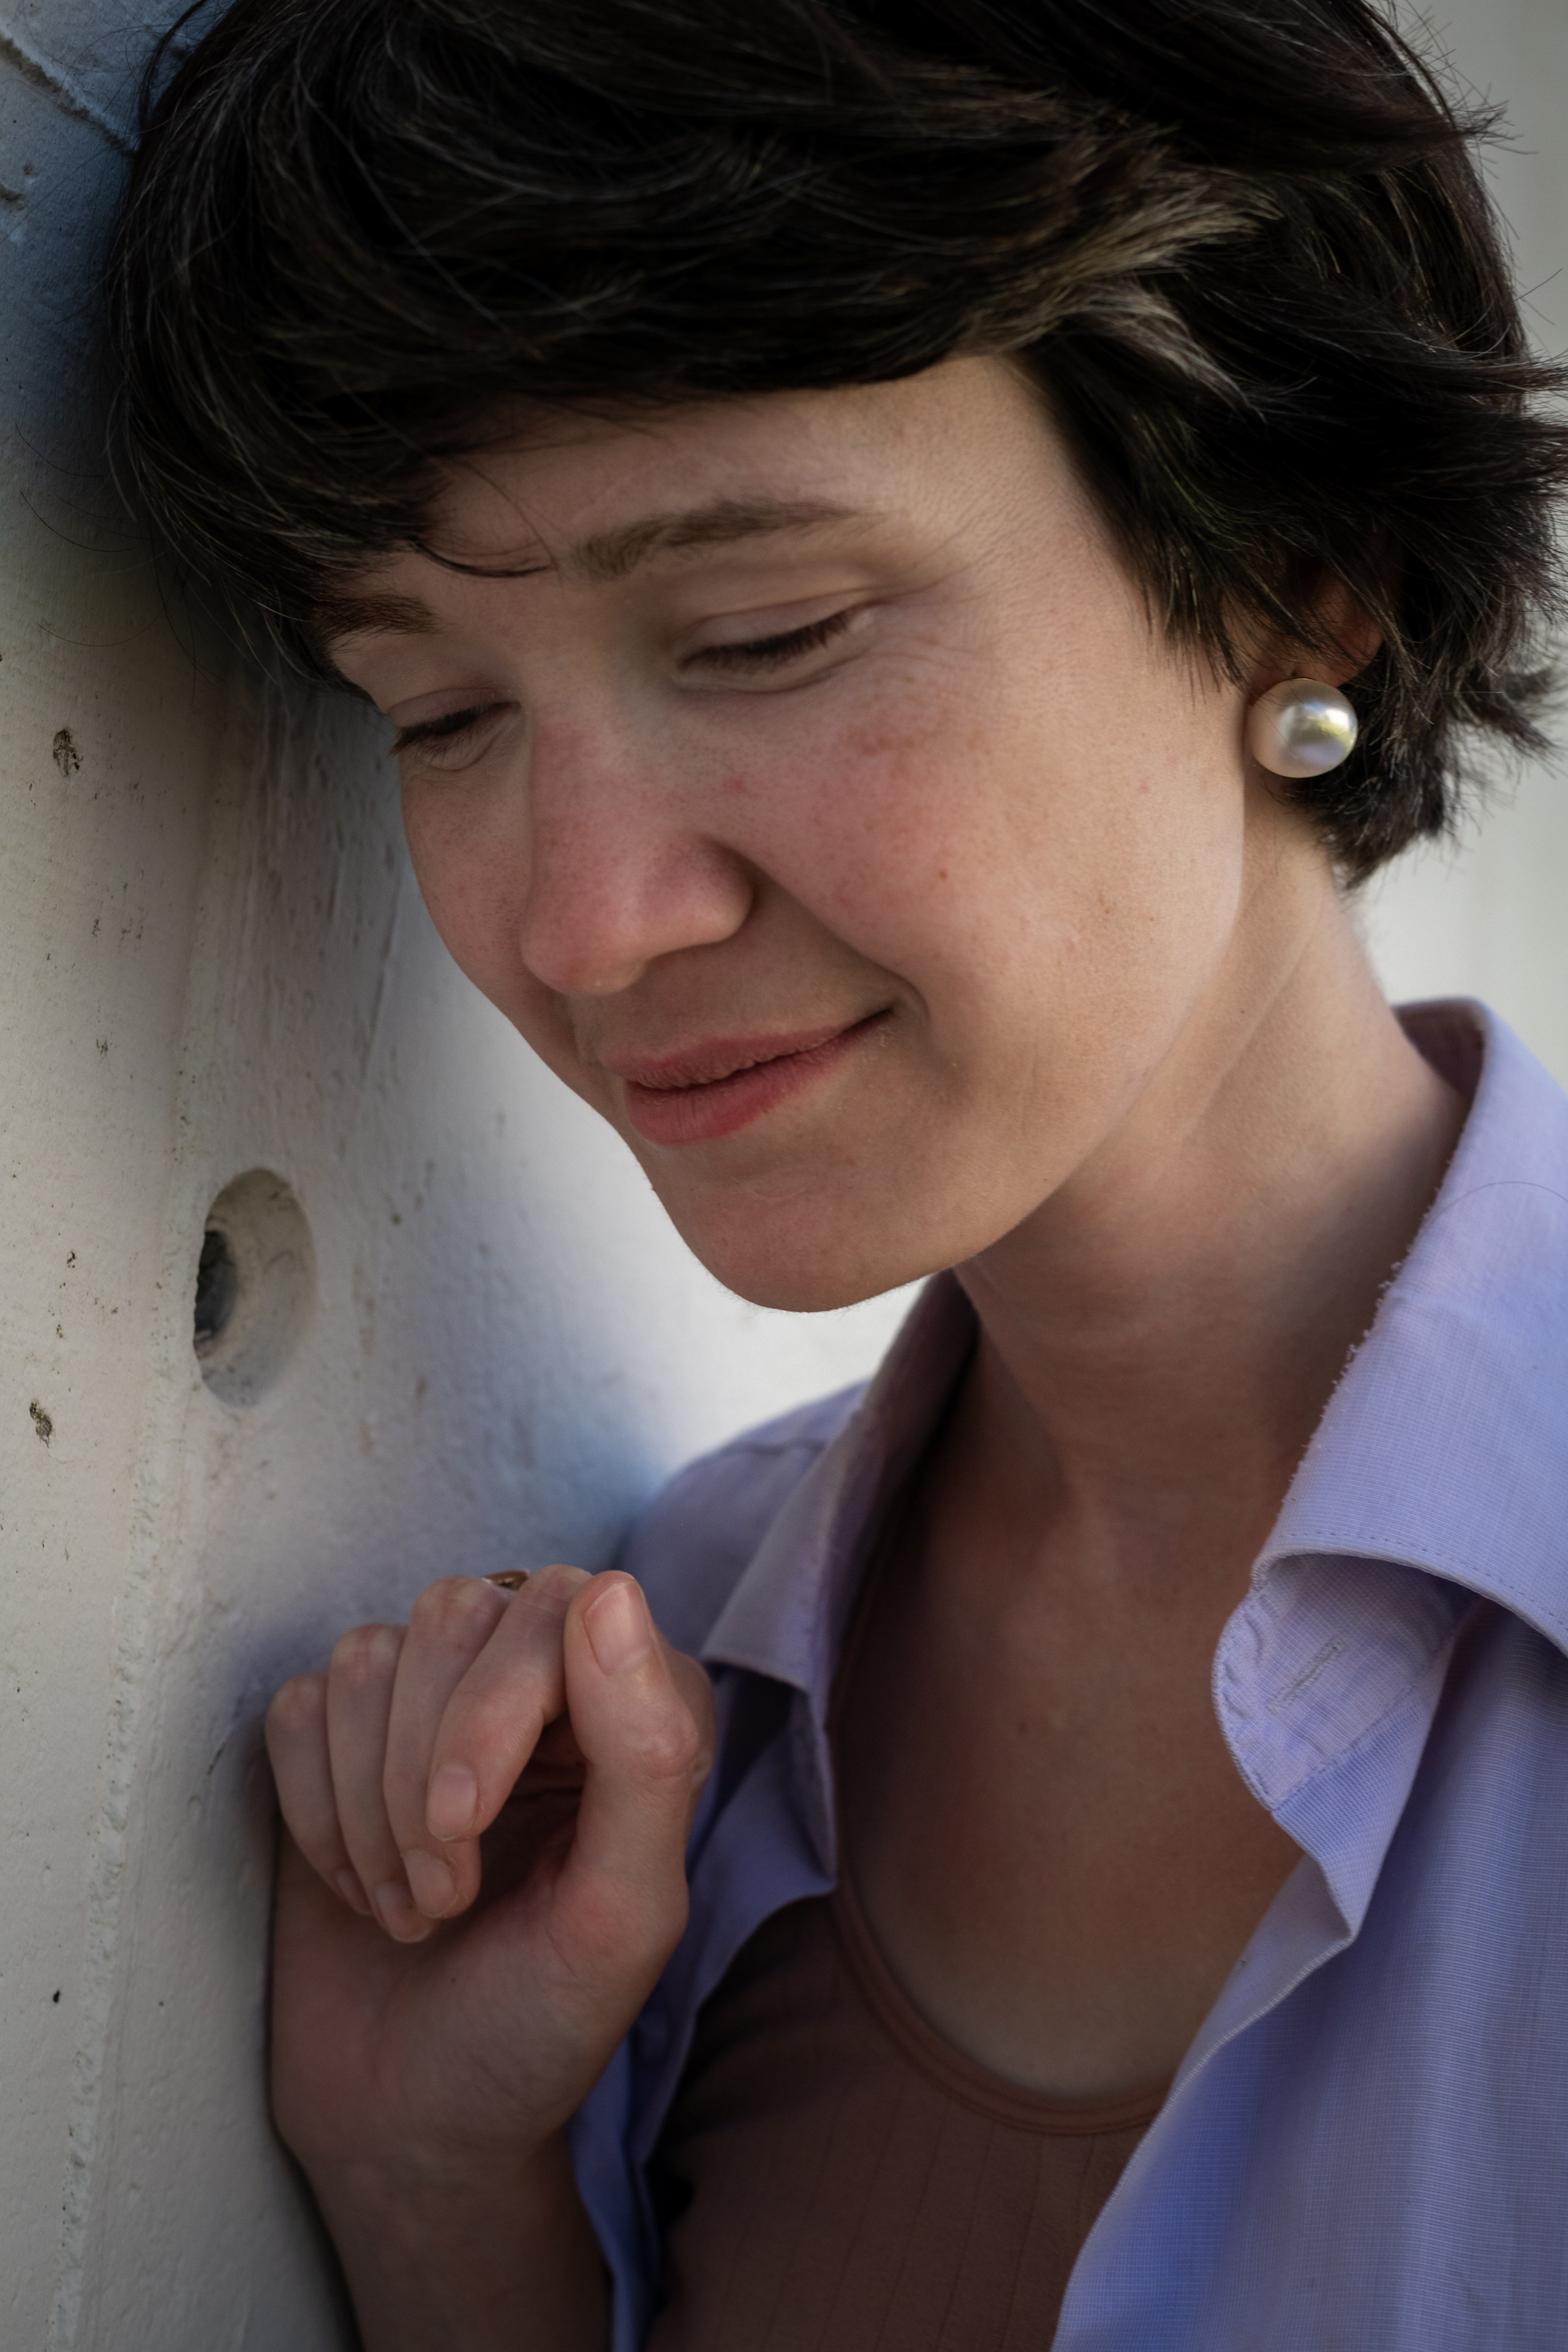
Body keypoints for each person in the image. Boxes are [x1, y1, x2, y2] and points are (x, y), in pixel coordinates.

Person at [105, 2, 1568, 2346]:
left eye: (767, 633)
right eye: (441, 714)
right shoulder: (666, 1664)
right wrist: (432, 2176)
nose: (582, 924)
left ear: (1304, 575)